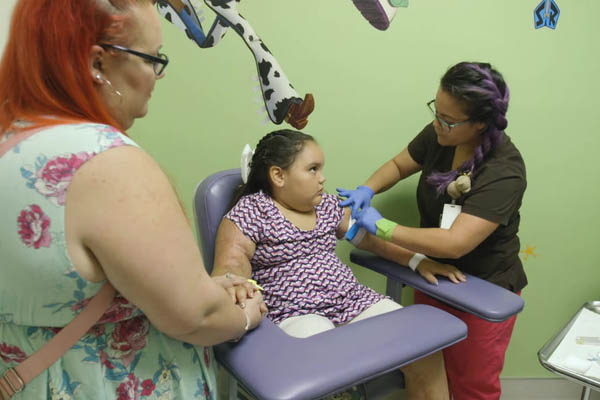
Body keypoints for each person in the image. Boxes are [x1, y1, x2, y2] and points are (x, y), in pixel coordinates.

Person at [0, 1, 266, 398]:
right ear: (98, 62)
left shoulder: (13, 142)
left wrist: (204, 285)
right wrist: (246, 315)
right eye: (152, 59)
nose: (156, 76)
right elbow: (195, 315)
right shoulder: (107, 163)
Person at [212, 129, 465, 399]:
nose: (323, 178)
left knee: (424, 349)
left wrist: (416, 260)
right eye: (312, 169)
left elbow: (371, 241)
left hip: (353, 301)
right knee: (323, 365)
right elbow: (233, 262)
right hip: (295, 312)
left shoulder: (327, 207)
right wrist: (235, 284)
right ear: (278, 175)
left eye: (321, 169)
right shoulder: (253, 210)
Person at [338, 62, 527, 400]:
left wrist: (382, 227)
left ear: (480, 124)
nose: (437, 123)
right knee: (427, 368)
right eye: (435, 111)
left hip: (483, 288)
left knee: (470, 384)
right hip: (432, 275)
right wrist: (366, 189)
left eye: (447, 120)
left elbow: (455, 243)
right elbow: (399, 165)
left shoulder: (505, 171)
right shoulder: (441, 134)